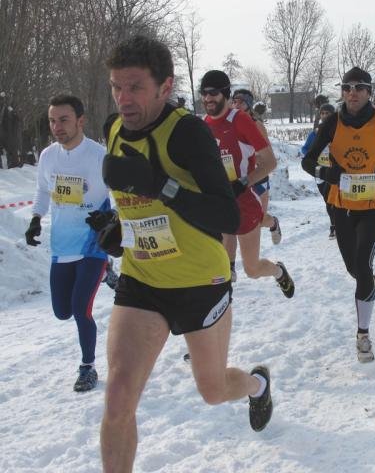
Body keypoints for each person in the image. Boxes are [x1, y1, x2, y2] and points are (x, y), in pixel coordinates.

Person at [98, 36, 273, 473]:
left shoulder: (188, 133)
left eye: (135, 87)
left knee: (213, 391)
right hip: (143, 279)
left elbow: (226, 214)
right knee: (119, 396)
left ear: (164, 86)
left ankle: (256, 384)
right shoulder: (115, 130)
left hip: (200, 282)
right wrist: (117, 230)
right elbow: (137, 205)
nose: (124, 99)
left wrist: (161, 184)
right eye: (116, 87)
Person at [301, 67, 375, 362]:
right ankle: (367, 282)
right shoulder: (332, 123)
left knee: (362, 265)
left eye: (359, 88)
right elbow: (307, 161)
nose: (352, 93)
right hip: (342, 204)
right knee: (354, 269)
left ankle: (363, 335)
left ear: (369, 92)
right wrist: (327, 172)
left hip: (374, 204)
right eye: (347, 87)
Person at [25, 94, 110, 392]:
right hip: (62, 247)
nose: (57, 126)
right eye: (52, 120)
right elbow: (43, 191)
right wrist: (36, 218)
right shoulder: (48, 156)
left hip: (92, 246)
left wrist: (108, 219)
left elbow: (120, 195)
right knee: (62, 311)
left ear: (80, 121)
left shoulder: (99, 156)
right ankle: (109, 272)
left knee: (79, 309)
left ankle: (88, 367)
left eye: (63, 120)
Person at [203, 72, 293, 296]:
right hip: (221, 202)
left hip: (244, 201)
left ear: (224, 94)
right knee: (223, 264)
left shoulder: (241, 120)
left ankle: (278, 271)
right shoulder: (204, 124)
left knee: (252, 269)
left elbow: (270, 162)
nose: (207, 98)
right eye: (203, 94)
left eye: (213, 93)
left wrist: (242, 183)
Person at [231, 88, 282, 246]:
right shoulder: (230, 124)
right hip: (238, 178)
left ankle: (273, 223)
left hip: (257, 176)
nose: (236, 105)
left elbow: (268, 157)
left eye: (241, 102)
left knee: (258, 220)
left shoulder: (256, 125)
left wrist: (250, 157)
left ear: (248, 105)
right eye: (234, 101)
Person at [301, 103, 336, 238]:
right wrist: (310, 156)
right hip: (319, 170)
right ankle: (335, 222)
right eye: (323, 113)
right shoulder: (315, 133)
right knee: (327, 199)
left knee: (331, 198)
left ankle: (334, 225)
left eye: (328, 113)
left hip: (334, 170)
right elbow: (305, 149)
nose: (325, 116)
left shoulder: (339, 130)